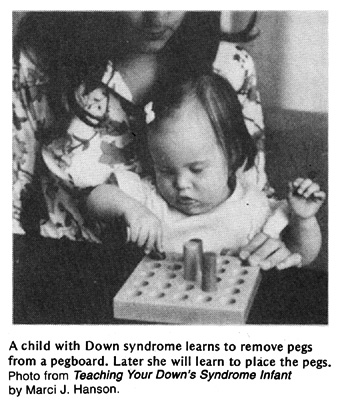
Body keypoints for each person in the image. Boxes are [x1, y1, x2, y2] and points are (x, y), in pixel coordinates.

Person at [12, 11, 303, 269]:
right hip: (66, 270)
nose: (159, 16)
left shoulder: (230, 67)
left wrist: (275, 247)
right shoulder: (41, 61)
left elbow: (253, 192)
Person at [85, 73, 325, 268]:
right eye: (166, 171)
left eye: (196, 169)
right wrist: (131, 210)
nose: (181, 183)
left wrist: (304, 220)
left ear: (233, 158)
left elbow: (301, 254)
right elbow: (96, 198)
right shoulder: (150, 199)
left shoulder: (254, 205)